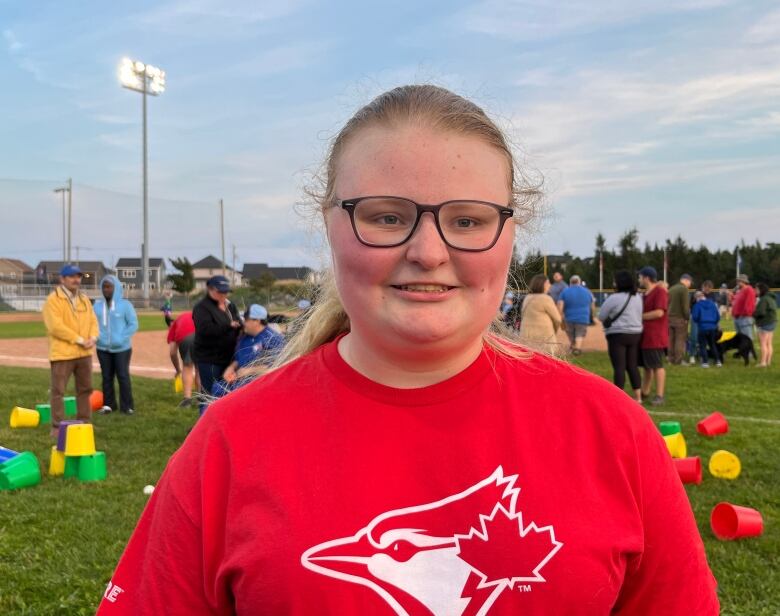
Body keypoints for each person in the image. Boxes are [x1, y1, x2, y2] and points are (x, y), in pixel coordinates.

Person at [98, 85, 717, 615]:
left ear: (510, 235)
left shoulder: (614, 434)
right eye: (388, 216)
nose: (427, 251)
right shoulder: (230, 443)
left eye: (469, 220)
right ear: (330, 225)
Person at [41, 264, 99, 437]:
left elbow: (93, 321)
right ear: (62, 279)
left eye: (78, 276)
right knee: (58, 390)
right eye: (72, 276)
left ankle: (84, 422)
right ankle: (57, 427)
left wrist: (93, 338)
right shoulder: (53, 300)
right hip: (63, 354)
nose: (76, 280)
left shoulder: (84, 299)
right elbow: (55, 327)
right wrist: (80, 340)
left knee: (85, 389)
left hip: (84, 354)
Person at [210, 304, 286, 397]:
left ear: (257, 321)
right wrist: (231, 368)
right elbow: (239, 358)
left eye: (246, 320)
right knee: (217, 388)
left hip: (259, 385)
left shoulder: (273, 339)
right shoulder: (245, 337)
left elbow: (276, 368)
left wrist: (249, 371)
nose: (243, 323)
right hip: (239, 382)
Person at [192, 275, 242, 415]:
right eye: (220, 291)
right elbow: (205, 330)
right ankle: (203, 425)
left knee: (226, 393)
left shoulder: (230, 306)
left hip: (228, 357)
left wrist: (239, 326)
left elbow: (238, 321)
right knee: (209, 394)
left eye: (226, 291)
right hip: (210, 359)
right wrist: (229, 325)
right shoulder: (202, 308)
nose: (223, 294)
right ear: (210, 289)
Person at [93, 275, 138, 415]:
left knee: (123, 376)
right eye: (104, 287)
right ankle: (109, 405)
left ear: (116, 288)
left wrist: (121, 338)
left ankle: (127, 406)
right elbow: (92, 324)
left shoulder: (125, 305)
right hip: (102, 348)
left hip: (122, 348)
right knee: (106, 377)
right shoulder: (97, 306)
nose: (106, 289)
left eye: (109, 286)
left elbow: (133, 324)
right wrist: (97, 338)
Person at [599, 270, 643, 402]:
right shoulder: (638, 297)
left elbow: (601, 316)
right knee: (632, 366)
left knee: (619, 367)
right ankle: (638, 397)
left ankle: (619, 398)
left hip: (618, 335)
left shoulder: (614, 298)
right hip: (635, 334)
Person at [638, 266, 669, 405]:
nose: (639, 279)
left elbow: (659, 312)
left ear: (646, 278)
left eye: (640, 277)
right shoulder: (647, 292)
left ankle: (659, 395)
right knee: (647, 366)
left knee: (657, 365)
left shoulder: (659, 291)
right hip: (646, 335)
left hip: (655, 335)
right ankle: (645, 392)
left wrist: (639, 316)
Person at [517, 274, 561, 354]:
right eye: (548, 283)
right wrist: (554, 330)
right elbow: (557, 319)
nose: (550, 285)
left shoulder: (527, 297)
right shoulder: (546, 298)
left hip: (527, 335)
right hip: (544, 336)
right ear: (542, 284)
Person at [166, 311, 200, 407]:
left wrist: (178, 370)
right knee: (200, 368)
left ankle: (187, 400)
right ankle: (200, 399)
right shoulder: (195, 314)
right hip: (203, 336)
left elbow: (172, 352)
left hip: (187, 338)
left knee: (187, 367)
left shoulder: (174, 325)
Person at [557, 274, 594, 355]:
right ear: (579, 282)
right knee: (580, 333)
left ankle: (573, 346)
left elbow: (560, 305)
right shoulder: (587, 291)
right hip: (583, 317)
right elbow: (592, 305)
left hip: (569, 317)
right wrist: (591, 315)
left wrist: (560, 315)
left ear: (570, 282)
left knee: (570, 333)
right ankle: (577, 349)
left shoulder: (565, 291)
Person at [691, 291, 721, 368]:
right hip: (712, 327)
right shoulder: (712, 304)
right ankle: (718, 361)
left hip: (702, 327)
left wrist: (699, 322)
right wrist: (714, 323)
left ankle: (705, 362)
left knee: (703, 345)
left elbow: (695, 317)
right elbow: (717, 316)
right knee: (712, 344)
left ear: (697, 298)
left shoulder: (697, 305)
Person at [667, 274, 692, 365]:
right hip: (680, 318)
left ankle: (670, 359)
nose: (690, 285)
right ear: (686, 280)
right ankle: (679, 360)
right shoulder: (684, 289)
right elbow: (685, 306)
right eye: (690, 282)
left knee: (671, 339)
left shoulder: (671, 288)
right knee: (680, 340)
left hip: (669, 318)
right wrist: (687, 317)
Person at [754, 282, 777, 367]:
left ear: (761, 289)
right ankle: (768, 362)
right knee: (769, 343)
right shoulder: (771, 298)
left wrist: (753, 313)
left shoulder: (763, 299)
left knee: (763, 343)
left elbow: (760, 312)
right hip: (772, 322)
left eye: (756, 289)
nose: (755, 291)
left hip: (765, 323)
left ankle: (763, 362)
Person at [732, 273, 756, 339]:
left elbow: (749, 305)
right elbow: (736, 301)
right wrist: (731, 297)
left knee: (747, 340)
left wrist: (744, 314)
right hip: (738, 317)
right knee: (740, 340)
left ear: (744, 281)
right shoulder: (740, 291)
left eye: (739, 281)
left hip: (744, 318)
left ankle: (748, 349)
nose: (737, 283)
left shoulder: (749, 290)